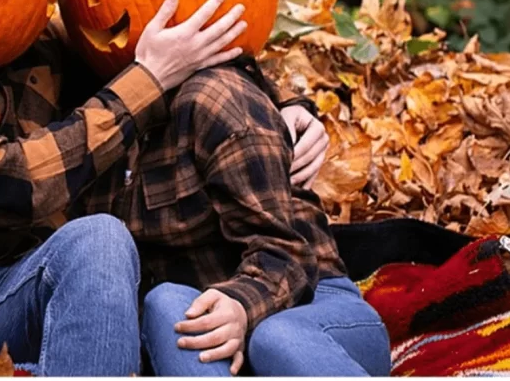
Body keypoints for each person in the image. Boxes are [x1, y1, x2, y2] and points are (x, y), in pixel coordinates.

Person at [0, 0, 326, 376]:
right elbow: (11, 183)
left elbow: (174, 56)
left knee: (100, 238)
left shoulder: (34, 44)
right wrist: (146, 79)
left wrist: (285, 106)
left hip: (23, 289)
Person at [76, 57, 391, 376]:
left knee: (276, 338)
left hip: (310, 300)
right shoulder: (85, 121)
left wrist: (241, 306)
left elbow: (291, 254)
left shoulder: (218, 98)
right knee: (165, 303)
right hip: (213, 327)